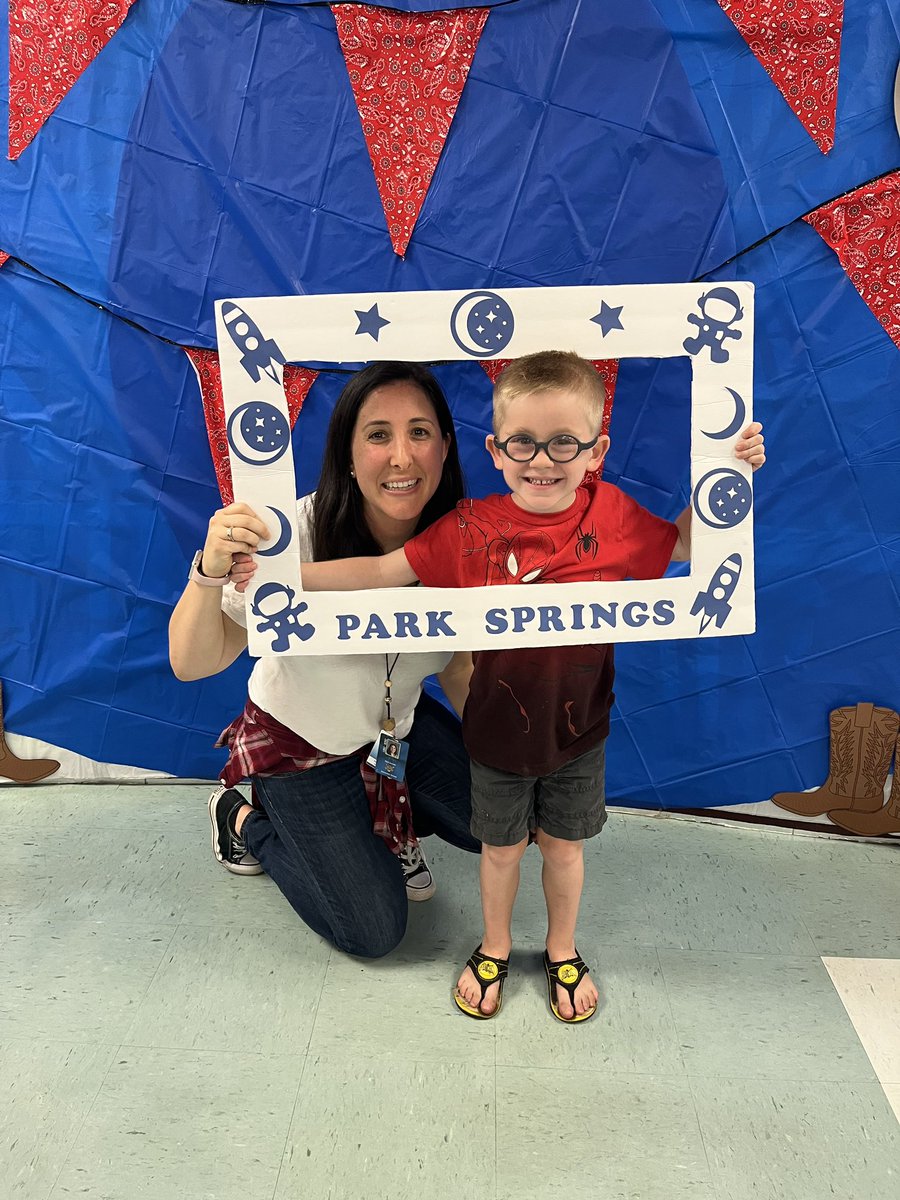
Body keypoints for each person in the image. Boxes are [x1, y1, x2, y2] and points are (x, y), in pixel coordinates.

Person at [290, 351, 766, 1022]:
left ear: (596, 450)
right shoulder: (469, 530)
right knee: (502, 851)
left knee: (564, 850)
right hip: (495, 736)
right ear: (496, 448)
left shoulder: (616, 517)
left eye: (563, 442)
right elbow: (381, 570)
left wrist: (729, 471)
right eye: (524, 443)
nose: (543, 459)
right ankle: (494, 947)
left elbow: (686, 545)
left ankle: (563, 950)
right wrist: (284, 576)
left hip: (579, 733)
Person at [169, 362, 479, 958]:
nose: (401, 457)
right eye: (378, 434)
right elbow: (190, 663)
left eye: (419, 431)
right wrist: (209, 570)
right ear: (347, 449)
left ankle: (388, 823)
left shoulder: (468, 540)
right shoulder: (294, 536)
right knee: (374, 930)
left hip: (391, 733)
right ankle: (242, 817)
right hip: (301, 751)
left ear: (446, 445)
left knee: (505, 817)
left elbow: (459, 666)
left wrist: (516, 769)